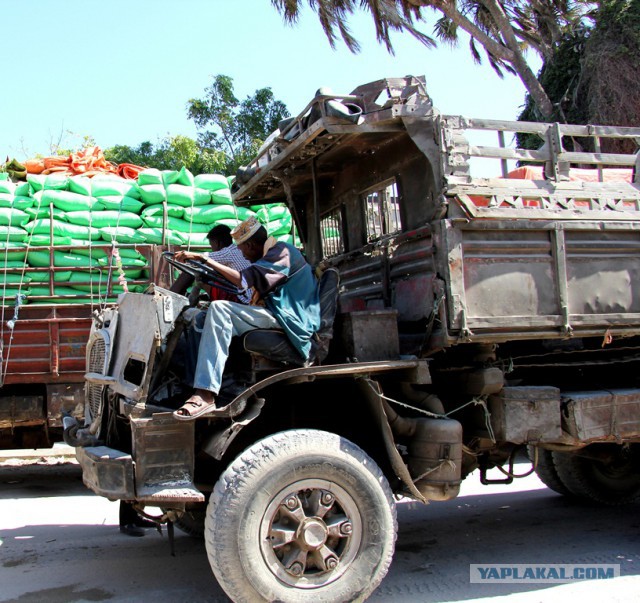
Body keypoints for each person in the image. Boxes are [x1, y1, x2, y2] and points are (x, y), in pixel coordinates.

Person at [173, 216, 321, 420]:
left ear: (251, 245)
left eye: (242, 250)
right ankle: (191, 385)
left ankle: (206, 393)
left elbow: (243, 280)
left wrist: (206, 260)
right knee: (200, 318)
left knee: (220, 309)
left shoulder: (282, 252)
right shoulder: (267, 256)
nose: (242, 255)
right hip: (273, 312)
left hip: (289, 319)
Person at [171, 224, 252, 304]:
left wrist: (187, 256)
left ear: (217, 243)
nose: (212, 249)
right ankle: (190, 302)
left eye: (211, 245)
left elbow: (202, 258)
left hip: (242, 298)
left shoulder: (228, 253)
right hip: (245, 294)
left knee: (193, 273)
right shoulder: (236, 250)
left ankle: (170, 298)